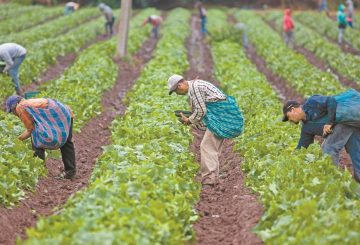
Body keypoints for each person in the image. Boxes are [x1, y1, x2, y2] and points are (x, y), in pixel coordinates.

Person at [168, 74, 244, 186]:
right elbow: (202, 110)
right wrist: (191, 118)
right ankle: (213, 177)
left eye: (175, 91)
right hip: (220, 117)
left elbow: (201, 111)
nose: (177, 94)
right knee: (212, 147)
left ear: (179, 85)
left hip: (220, 117)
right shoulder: (195, 86)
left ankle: (209, 179)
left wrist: (189, 120)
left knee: (206, 146)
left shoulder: (195, 88)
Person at [282, 89, 360, 182]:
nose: (290, 120)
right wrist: (291, 158)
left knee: (328, 148)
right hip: (349, 124)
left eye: (288, 117)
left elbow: (331, 101)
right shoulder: (306, 127)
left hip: (344, 120)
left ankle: (334, 181)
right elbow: (302, 146)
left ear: (293, 110)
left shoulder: (311, 102)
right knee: (355, 149)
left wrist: (329, 122)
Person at [5, 95, 76, 179]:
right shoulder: (29, 103)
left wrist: (16, 140)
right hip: (66, 112)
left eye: (12, 111)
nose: (14, 114)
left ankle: (40, 170)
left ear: (14, 106)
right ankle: (70, 172)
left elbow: (30, 129)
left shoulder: (20, 107)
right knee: (67, 142)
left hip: (59, 114)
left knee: (36, 138)